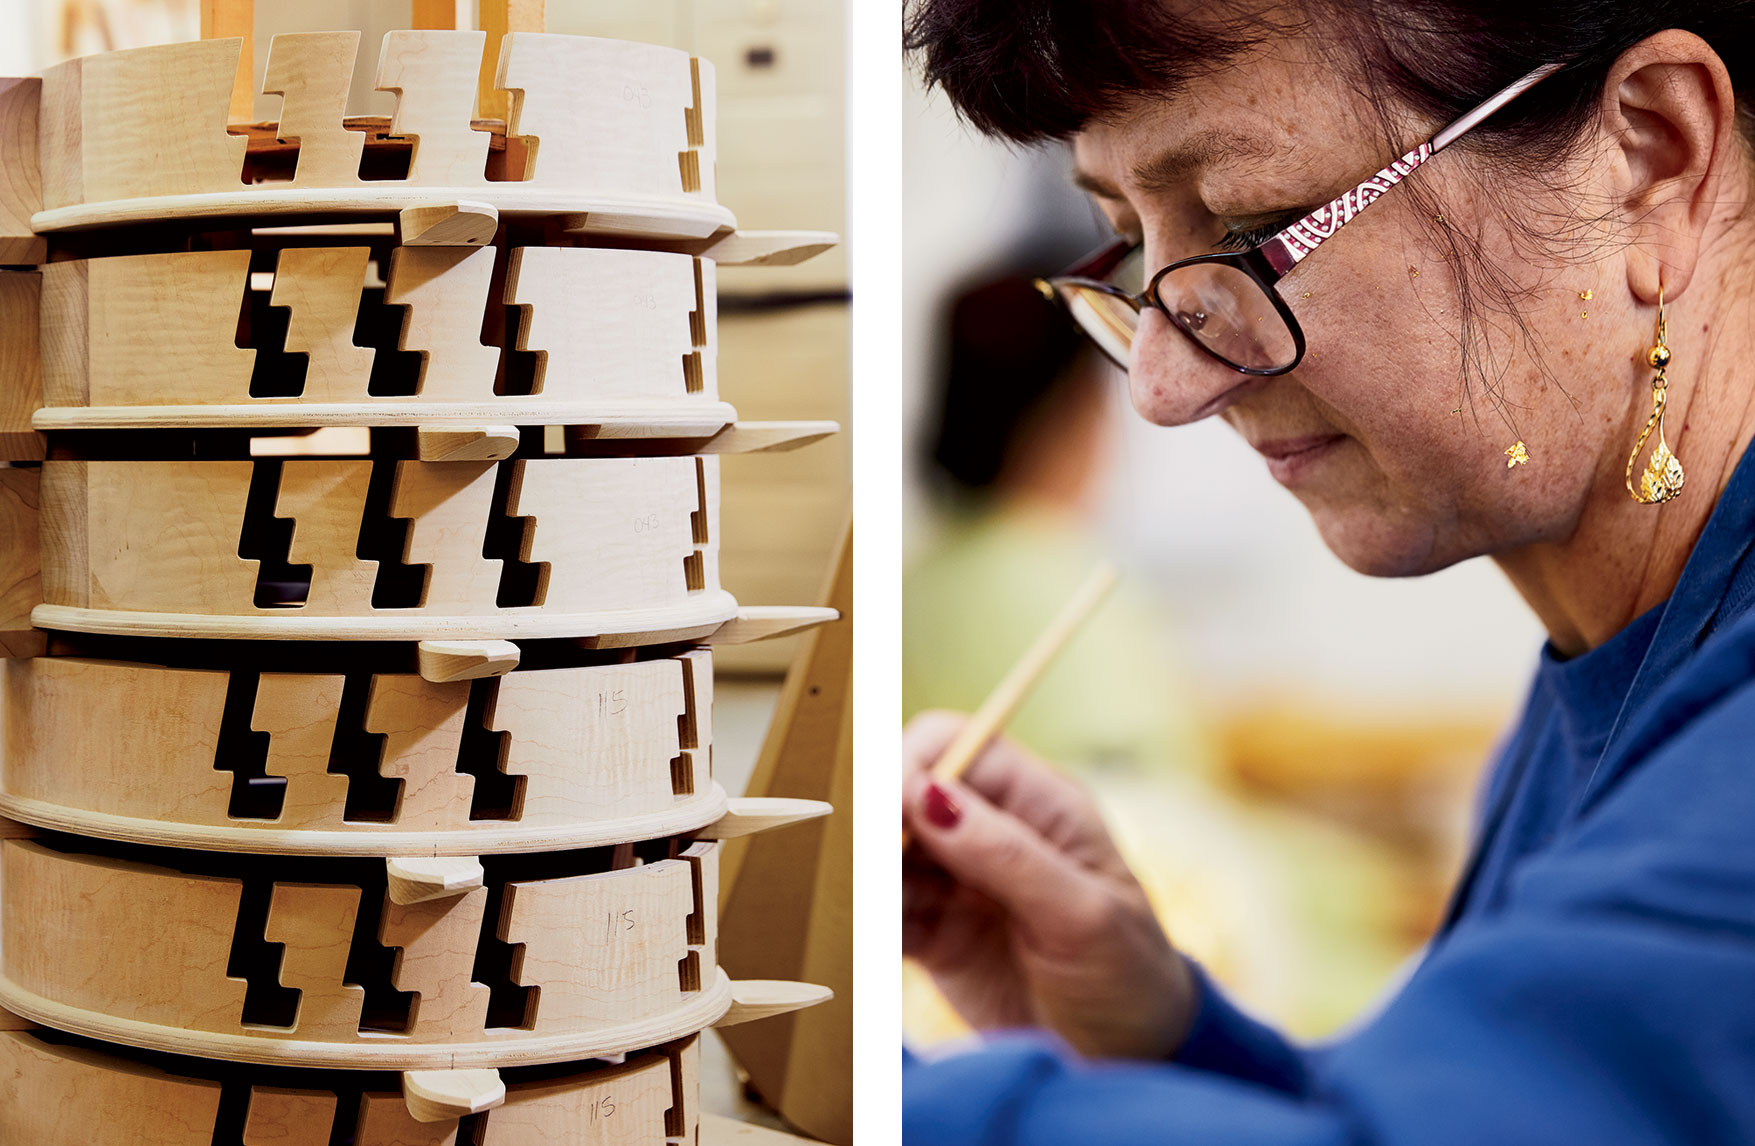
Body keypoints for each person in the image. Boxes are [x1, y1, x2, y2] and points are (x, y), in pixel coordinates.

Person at [899, 3, 1755, 1143]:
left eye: (1254, 228)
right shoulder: (1606, 671)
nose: (1163, 388)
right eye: (1128, 246)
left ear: (1653, 152)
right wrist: (1156, 1043)